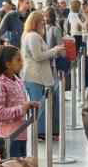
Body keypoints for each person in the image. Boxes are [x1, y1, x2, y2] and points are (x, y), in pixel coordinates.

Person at [0, 44, 34, 158]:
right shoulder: (0, 85)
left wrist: (29, 106)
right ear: (7, 64)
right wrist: (22, 109)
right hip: (8, 137)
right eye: (18, 60)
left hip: (21, 134)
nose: (22, 63)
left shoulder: (17, 80)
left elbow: (21, 103)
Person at [23, 11, 65, 141]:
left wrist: (53, 50)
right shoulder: (33, 36)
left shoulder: (33, 36)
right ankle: (40, 133)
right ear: (35, 22)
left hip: (39, 77)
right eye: (41, 20)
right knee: (39, 108)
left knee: (43, 107)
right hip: (35, 77)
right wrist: (54, 50)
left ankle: (45, 132)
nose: (44, 22)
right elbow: (38, 56)